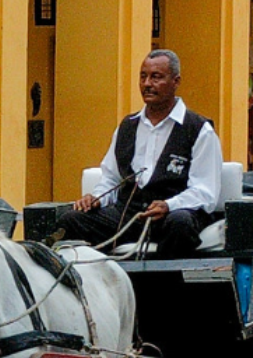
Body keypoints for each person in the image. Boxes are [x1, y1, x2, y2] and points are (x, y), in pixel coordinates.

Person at [56, 49, 223, 258]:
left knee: (180, 224)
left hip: (173, 216)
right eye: (143, 77)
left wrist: (168, 205)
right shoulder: (128, 126)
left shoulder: (198, 130)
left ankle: (166, 285)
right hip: (130, 215)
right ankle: (96, 282)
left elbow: (205, 192)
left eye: (156, 77)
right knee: (71, 220)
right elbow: (111, 178)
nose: (147, 84)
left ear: (176, 81)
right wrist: (96, 198)